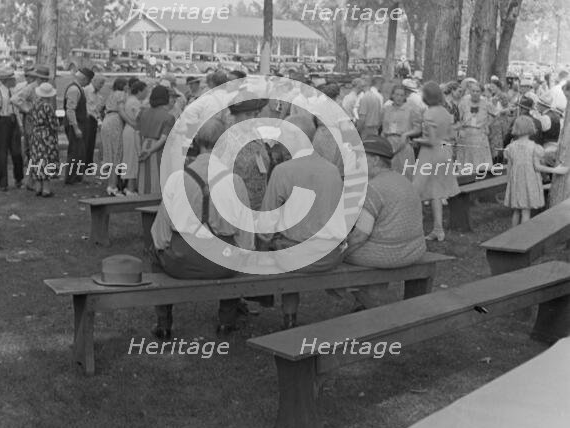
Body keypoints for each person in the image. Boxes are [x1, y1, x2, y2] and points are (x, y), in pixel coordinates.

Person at [150, 119, 255, 337]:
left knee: (154, 254)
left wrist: (161, 250)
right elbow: (245, 235)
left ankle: (163, 323)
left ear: (197, 143)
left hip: (181, 262)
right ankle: (226, 320)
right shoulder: (235, 181)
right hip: (222, 263)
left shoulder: (177, 179)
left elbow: (160, 233)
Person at [258, 115, 346, 328]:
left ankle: (289, 318)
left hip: (294, 257)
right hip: (329, 255)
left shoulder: (283, 171)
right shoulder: (332, 170)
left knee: (283, 244)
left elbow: (266, 224)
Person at [344, 135, 426, 308]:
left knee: (331, 257)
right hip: (414, 250)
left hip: (388, 254)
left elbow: (359, 236)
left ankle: (367, 304)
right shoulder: (404, 180)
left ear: (374, 160)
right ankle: (367, 300)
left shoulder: (374, 188)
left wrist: (339, 252)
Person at [411, 81, 460, 241]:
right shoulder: (446, 112)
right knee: (436, 192)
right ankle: (438, 229)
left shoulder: (429, 113)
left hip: (430, 154)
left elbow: (431, 141)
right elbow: (452, 135)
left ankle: (411, 228)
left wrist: (417, 140)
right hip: (445, 152)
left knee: (416, 190)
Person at [503, 115, 568, 226]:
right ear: (531, 128)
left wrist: (509, 182)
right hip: (528, 183)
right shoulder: (534, 148)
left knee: (517, 211)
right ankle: (524, 238)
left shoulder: (510, 147)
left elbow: (509, 168)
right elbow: (537, 167)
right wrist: (555, 170)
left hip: (515, 182)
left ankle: (512, 236)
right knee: (526, 211)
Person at [0, 67, 23, 191]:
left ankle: (19, 178)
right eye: (13, 79)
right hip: (1, 123)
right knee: (1, 154)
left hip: (13, 122)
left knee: (17, 152)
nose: (15, 81)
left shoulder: (14, 91)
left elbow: (17, 110)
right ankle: (3, 183)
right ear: (8, 80)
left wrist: (20, 125)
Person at [138, 85, 176, 195]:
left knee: (145, 177)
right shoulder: (169, 117)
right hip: (158, 149)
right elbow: (163, 138)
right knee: (158, 175)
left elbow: (138, 132)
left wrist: (142, 148)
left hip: (144, 144)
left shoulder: (143, 112)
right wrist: (150, 151)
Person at [382, 83, 420, 179]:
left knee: (405, 173)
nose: (399, 97)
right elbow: (383, 128)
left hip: (403, 143)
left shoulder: (411, 109)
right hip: (389, 144)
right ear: (392, 95)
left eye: (402, 95)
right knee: (389, 173)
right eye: (397, 94)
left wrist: (407, 134)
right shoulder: (386, 109)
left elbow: (418, 128)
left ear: (405, 97)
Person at [63, 67, 94, 184]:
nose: (89, 83)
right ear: (85, 79)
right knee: (75, 152)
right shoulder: (74, 90)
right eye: (89, 81)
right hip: (75, 124)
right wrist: (76, 128)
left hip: (79, 123)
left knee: (80, 152)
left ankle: (76, 176)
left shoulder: (77, 88)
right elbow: (70, 110)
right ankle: (70, 178)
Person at [28, 82, 59, 197]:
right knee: (46, 160)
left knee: (37, 160)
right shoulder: (48, 106)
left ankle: (38, 187)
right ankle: (46, 189)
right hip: (46, 136)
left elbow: (31, 119)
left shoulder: (35, 105)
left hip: (36, 135)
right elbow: (53, 123)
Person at [456, 82, 493, 175]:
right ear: (470, 91)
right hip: (466, 135)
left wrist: (487, 124)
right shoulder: (464, 101)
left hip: (480, 135)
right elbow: (457, 118)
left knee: (480, 166)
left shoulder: (486, 102)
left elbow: (495, 114)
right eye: (473, 91)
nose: (475, 93)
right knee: (465, 166)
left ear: (481, 92)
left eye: (478, 91)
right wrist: (460, 129)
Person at [100, 77, 128, 196]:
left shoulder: (111, 94)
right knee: (116, 154)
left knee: (109, 154)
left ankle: (111, 184)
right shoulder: (122, 95)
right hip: (116, 123)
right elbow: (122, 111)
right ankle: (113, 186)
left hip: (107, 121)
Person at [122, 79, 148, 195]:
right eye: (145, 91)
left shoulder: (132, 100)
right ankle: (130, 188)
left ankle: (131, 187)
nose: (147, 94)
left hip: (131, 130)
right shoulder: (134, 102)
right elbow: (139, 118)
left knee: (131, 158)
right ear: (139, 91)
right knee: (132, 159)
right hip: (132, 131)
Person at [83, 73, 106, 169]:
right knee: (86, 143)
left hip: (94, 120)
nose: (101, 86)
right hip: (87, 119)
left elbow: (97, 109)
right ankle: (84, 165)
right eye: (100, 83)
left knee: (91, 143)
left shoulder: (98, 94)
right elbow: (88, 108)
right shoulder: (86, 90)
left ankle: (89, 164)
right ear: (94, 81)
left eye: (103, 84)